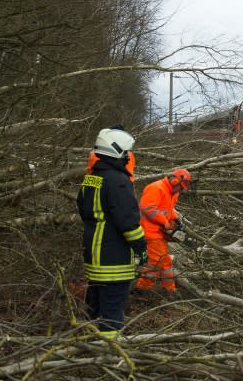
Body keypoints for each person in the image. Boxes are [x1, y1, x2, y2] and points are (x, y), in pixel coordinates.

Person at [77, 127, 146, 339]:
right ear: (115, 150)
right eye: (126, 152)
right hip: (112, 259)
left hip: (93, 255)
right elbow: (128, 222)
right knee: (111, 314)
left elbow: (82, 207)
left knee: (94, 308)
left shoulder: (92, 177)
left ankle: (88, 346)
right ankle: (108, 354)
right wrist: (141, 248)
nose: (128, 157)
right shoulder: (119, 181)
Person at [135, 168, 192, 294]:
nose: (180, 190)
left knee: (165, 261)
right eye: (180, 187)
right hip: (149, 230)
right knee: (155, 262)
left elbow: (169, 210)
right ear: (174, 180)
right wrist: (165, 223)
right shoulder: (156, 188)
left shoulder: (173, 193)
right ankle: (143, 288)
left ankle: (169, 290)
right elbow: (148, 208)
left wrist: (177, 220)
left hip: (159, 231)